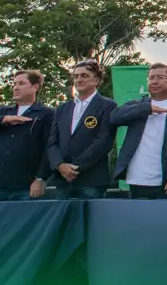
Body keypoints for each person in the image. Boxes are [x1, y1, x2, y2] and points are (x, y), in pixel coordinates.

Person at [109, 62, 167, 199]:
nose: (155, 81)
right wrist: (147, 108)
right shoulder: (137, 105)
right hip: (136, 180)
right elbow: (114, 118)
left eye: (160, 77)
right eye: (151, 78)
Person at [0, 70, 55, 200]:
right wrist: (4, 119)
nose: (16, 87)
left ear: (35, 87)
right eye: (14, 84)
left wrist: (40, 178)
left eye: (21, 83)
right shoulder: (3, 111)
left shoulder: (46, 114)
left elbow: (49, 149)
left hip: (27, 186)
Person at [46, 60, 118, 200]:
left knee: (91, 215)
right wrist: (60, 165)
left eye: (84, 75)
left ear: (96, 80)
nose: (79, 79)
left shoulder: (107, 106)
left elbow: (103, 142)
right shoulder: (63, 108)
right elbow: (52, 142)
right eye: (76, 76)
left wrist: (75, 167)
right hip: (63, 180)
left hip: (91, 180)